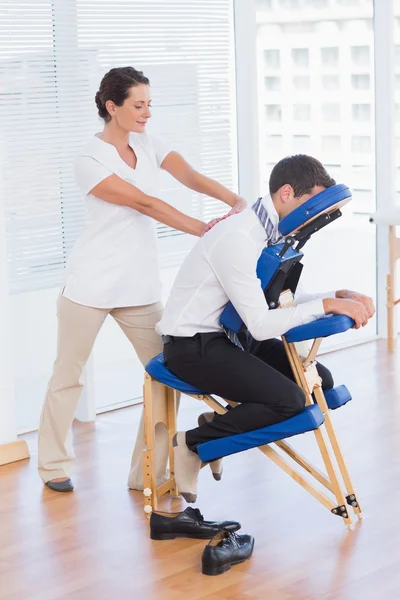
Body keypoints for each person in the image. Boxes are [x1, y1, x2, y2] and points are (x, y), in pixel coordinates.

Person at [38, 66, 246, 493]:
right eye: (138, 105)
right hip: (90, 285)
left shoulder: (149, 144)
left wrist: (234, 200)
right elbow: (143, 202)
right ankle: (53, 464)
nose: (147, 112)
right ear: (112, 107)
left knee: (166, 376)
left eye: (149, 103)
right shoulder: (89, 158)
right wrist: (202, 228)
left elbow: (187, 174)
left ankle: (146, 471)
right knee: (68, 374)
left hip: (139, 286)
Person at [156, 154, 375, 503]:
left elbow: (274, 300)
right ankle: (194, 443)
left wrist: (335, 295)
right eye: (310, 205)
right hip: (193, 345)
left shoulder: (270, 234)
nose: (314, 216)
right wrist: (327, 306)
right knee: (289, 400)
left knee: (321, 382)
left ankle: (215, 425)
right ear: (286, 193)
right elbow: (261, 324)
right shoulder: (239, 237)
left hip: (234, 336)